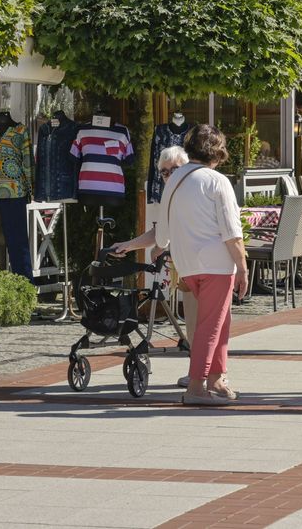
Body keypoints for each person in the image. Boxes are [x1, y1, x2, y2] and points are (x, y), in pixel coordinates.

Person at [112, 126, 246, 406]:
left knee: (217, 324)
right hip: (216, 264)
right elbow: (232, 232)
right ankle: (197, 386)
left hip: (187, 265)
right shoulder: (217, 181)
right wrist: (243, 268)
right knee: (212, 326)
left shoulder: (173, 180)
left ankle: (217, 379)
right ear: (217, 152)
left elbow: (162, 235)